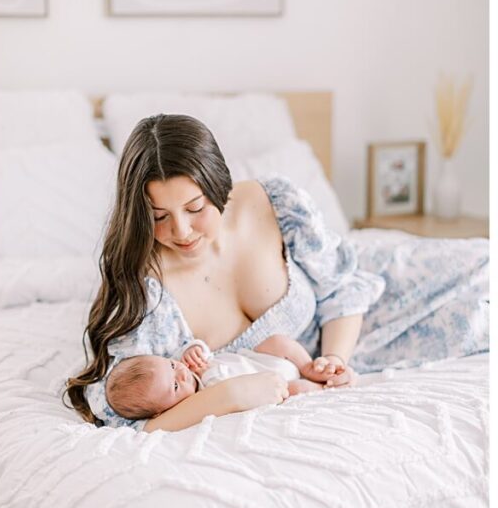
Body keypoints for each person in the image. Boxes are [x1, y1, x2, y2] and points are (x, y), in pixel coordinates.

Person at [65, 113, 386, 432]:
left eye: (195, 208)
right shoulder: (147, 290)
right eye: (159, 217)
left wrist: (334, 363)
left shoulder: (273, 203)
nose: (182, 231)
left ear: (218, 186)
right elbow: (117, 407)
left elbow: (341, 289)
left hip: (374, 321)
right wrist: (227, 395)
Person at [105, 335, 333, 421]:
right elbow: (223, 393)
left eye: (172, 365)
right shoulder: (197, 401)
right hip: (277, 384)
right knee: (298, 389)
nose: (182, 373)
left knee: (278, 342)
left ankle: (309, 366)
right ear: (161, 411)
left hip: (259, 359)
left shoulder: (187, 366)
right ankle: (322, 386)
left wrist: (193, 349)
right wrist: (207, 373)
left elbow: (202, 347)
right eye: (175, 385)